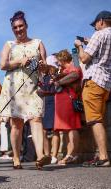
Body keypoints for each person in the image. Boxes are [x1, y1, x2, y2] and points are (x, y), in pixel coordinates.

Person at [0, 11, 50, 169]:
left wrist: (42, 66)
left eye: (21, 26)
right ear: (12, 29)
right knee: (16, 125)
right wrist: (20, 61)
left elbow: (45, 66)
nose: (18, 29)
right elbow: (3, 65)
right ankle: (17, 158)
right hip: (14, 88)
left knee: (36, 119)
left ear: (26, 26)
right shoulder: (9, 45)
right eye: (15, 27)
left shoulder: (38, 42)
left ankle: (40, 157)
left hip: (33, 87)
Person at [74, 10, 111, 167]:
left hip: (94, 80)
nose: (95, 27)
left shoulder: (99, 34)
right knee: (99, 118)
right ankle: (102, 155)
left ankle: (103, 157)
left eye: (95, 24)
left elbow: (83, 58)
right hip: (106, 83)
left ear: (101, 21)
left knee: (94, 119)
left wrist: (80, 46)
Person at [51, 50, 82, 165]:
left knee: (71, 127)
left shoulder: (71, 67)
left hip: (68, 100)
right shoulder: (64, 70)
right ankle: (70, 154)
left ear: (62, 58)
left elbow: (76, 74)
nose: (57, 63)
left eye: (58, 60)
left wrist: (59, 82)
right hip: (63, 101)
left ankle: (72, 154)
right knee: (68, 128)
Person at [37, 55, 60, 164]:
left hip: (53, 102)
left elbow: (56, 90)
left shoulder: (55, 75)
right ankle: (47, 154)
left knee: (55, 129)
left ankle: (54, 155)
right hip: (45, 103)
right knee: (44, 130)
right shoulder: (44, 76)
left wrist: (43, 92)